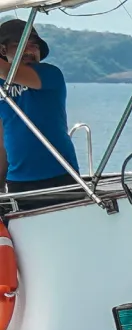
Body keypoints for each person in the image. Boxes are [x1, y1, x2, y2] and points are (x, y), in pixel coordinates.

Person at [0, 21, 80, 205]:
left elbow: (6, 72)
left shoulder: (49, 74)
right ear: (3, 51)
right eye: (20, 46)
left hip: (60, 175)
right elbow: (2, 137)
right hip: (18, 181)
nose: (29, 51)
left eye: (33, 46)